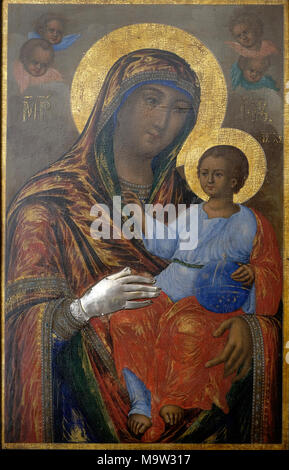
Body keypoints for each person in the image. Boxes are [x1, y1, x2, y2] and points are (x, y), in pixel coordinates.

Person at [5, 49, 281, 444]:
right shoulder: (49, 204)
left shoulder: (195, 205)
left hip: (195, 368)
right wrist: (85, 308)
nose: (163, 121)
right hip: (87, 408)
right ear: (116, 104)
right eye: (151, 100)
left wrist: (249, 326)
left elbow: (264, 290)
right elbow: (19, 331)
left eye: (180, 109)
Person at [109, 145, 282, 441]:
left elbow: (269, 267)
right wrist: (138, 215)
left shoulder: (251, 221)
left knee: (185, 328)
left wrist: (253, 274)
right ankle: (141, 401)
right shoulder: (191, 213)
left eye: (218, 174)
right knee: (126, 319)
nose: (209, 180)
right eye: (204, 174)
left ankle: (175, 396)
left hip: (212, 300)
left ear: (236, 180)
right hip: (170, 285)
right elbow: (164, 246)